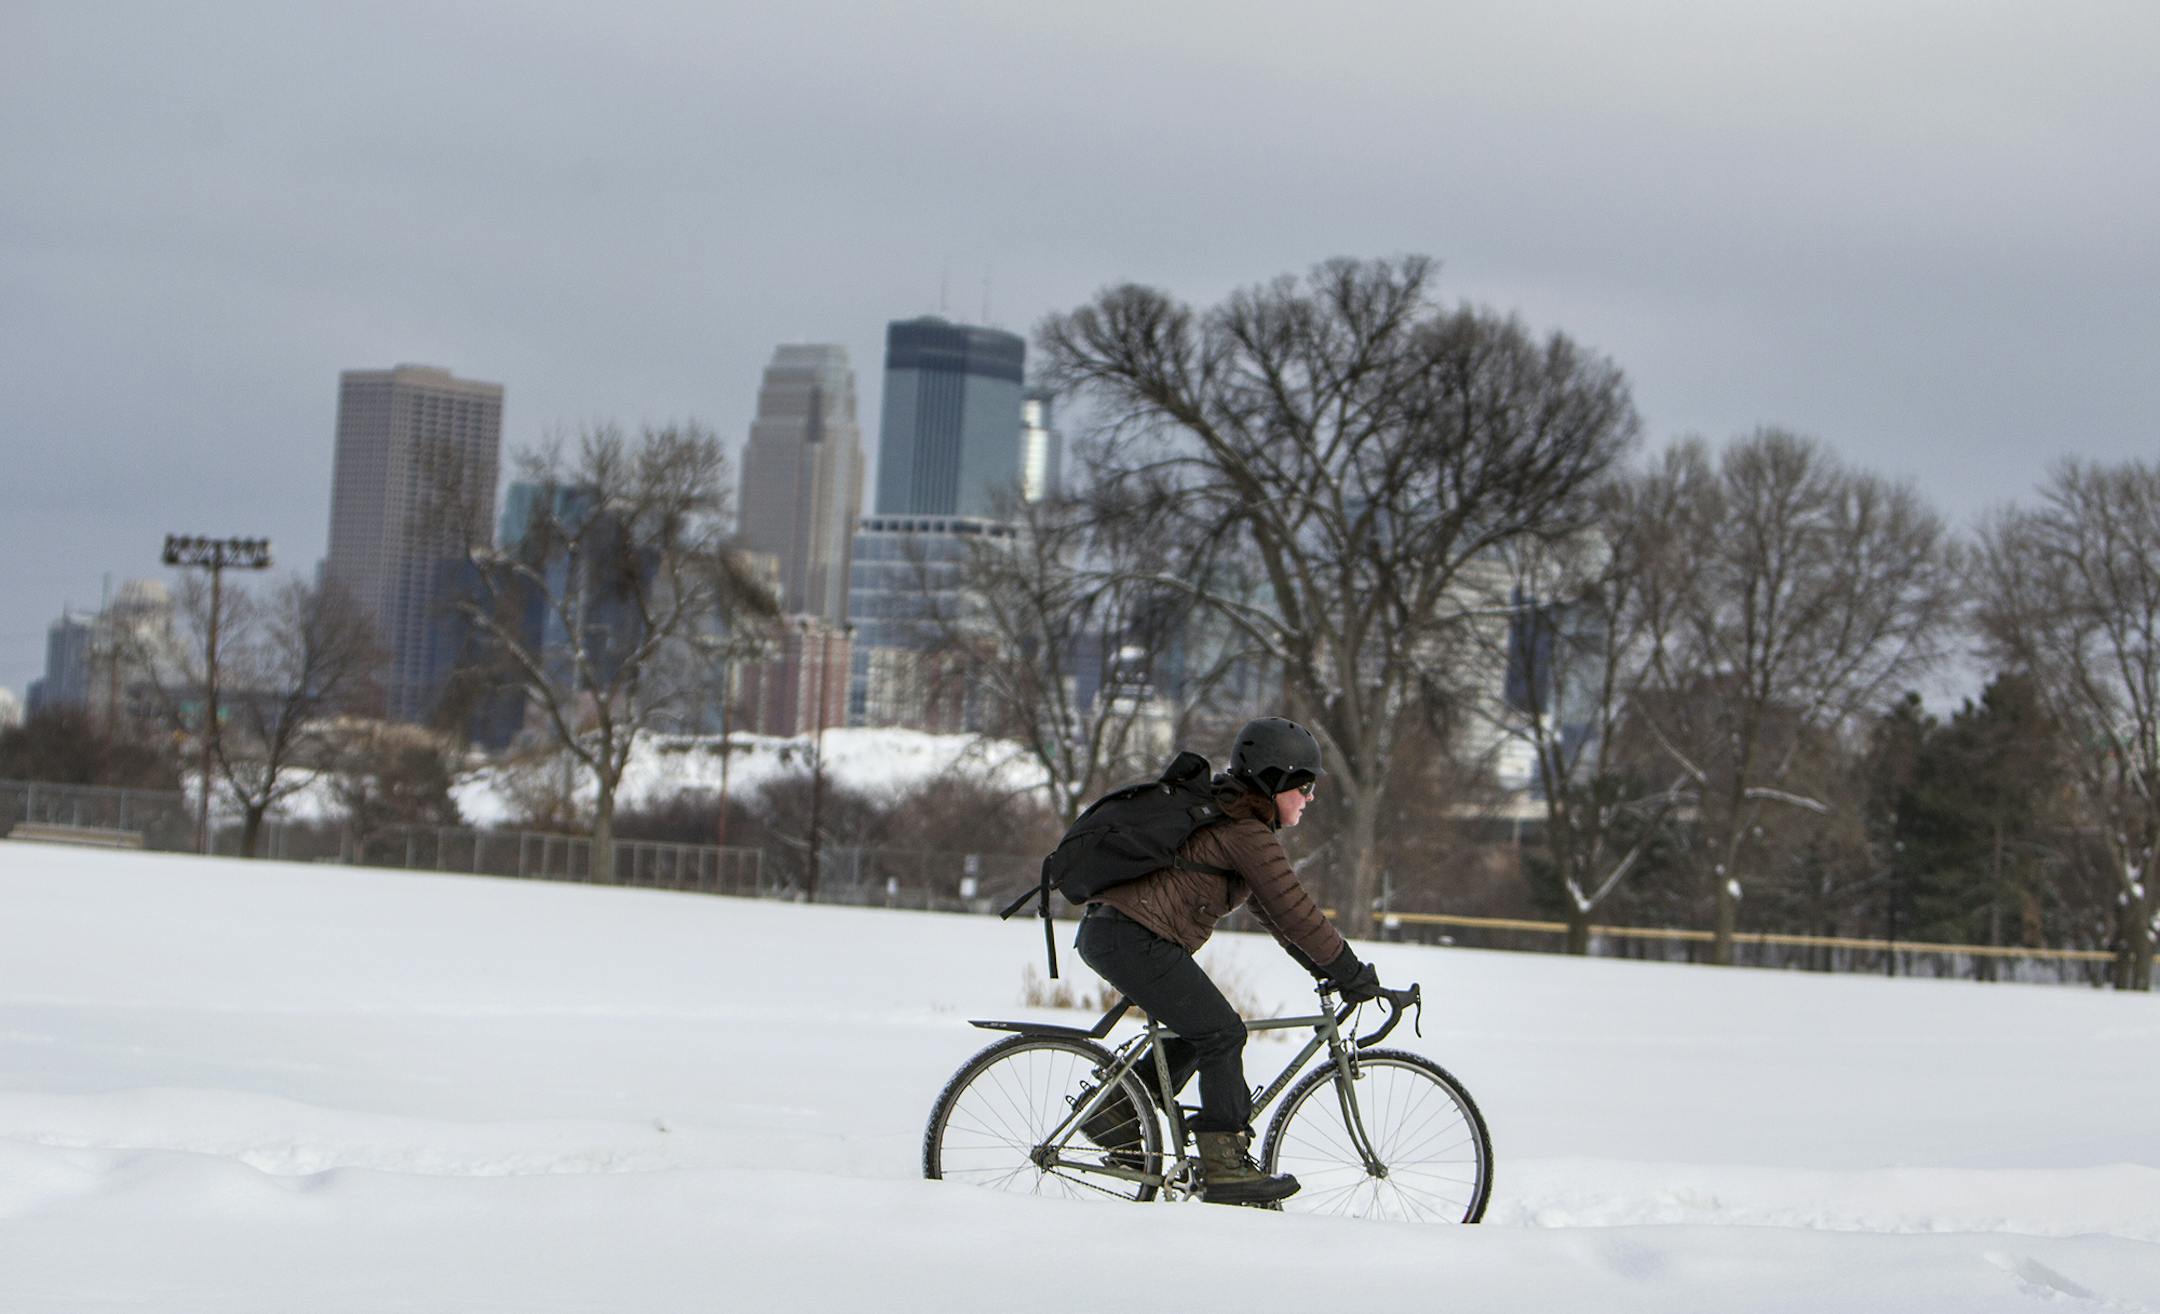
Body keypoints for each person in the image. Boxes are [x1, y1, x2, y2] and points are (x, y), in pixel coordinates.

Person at [1072, 716, 1381, 1206]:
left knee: (1200, 1031)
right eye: (1303, 786)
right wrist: (1350, 972)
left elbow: (1280, 919)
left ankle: (1116, 1117)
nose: (1310, 797)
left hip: (1121, 934)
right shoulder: (1244, 832)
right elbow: (1297, 911)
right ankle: (1225, 1166)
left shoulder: (1235, 821)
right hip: (1131, 937)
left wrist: (1328, 970)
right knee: (1222, 1033)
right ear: (1274, 782)